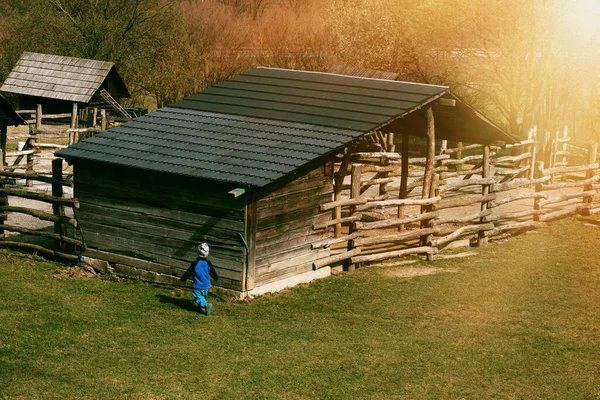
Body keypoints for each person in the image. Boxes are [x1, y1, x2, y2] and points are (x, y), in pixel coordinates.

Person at [180, 243, 219, 315]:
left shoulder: (195, 263)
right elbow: (212, 271)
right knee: (202, 297)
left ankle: (206, 305)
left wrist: (183, 278)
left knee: (197, 297)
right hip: (206, 285)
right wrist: (216, 278)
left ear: (197, 252)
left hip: (198, 285)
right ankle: (203, 309)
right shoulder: (208, 263)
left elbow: (189, 272)